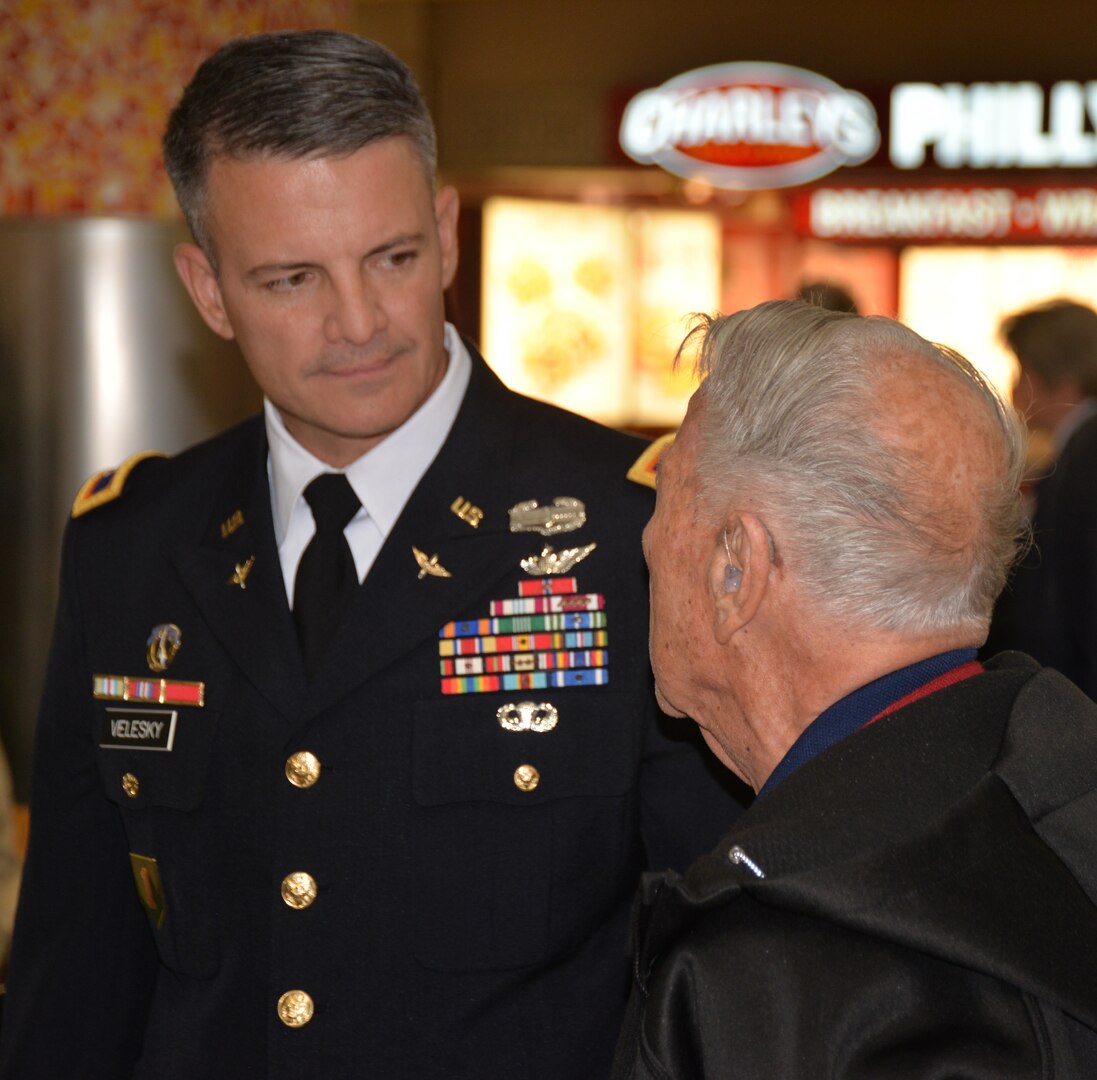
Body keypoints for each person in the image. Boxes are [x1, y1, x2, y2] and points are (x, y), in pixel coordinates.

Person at [0, 31, 744, 1079]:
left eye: (390, 259)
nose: (357, 322)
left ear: (443, 235)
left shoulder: (630, 532)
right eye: (291, 279)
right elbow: (78, 971)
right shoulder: (134, 546)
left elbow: (718, 958)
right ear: (208, 291)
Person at [611, 300, 1097, 1078]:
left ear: (736, 566)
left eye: (667, 492)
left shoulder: (769, 973)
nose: (643, 536)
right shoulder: (1060, 788)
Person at [983, 299, 1097, 698]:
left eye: (1023, 372)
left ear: (1056, 375)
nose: (1015, 388)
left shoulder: (1086, 455)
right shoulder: (1077, 449)